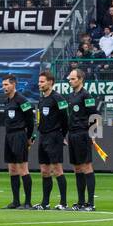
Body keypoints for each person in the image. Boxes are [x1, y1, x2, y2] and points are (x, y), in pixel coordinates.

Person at [64, 67, 101, 210]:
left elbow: (95, 116)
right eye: (70, 79)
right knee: (77, 168)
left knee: (86, 166)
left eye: (73, 79)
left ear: (80, 80)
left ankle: (91, 203)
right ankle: (80, 202)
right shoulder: (71, 95)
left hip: (83, 134)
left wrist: (94, 135)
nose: (70, 81)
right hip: (72, 134)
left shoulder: (86, 96)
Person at [34, 69, 70, 211]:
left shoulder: (58, 98)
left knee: (57, 169)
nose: (39, 84)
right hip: (42, 136)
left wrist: (62, 135)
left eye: (42, 82)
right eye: (39, 81)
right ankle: (45, 203)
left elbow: (65, 119)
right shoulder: (42, 98)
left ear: (50, 82)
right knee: (44, 170)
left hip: (54, 136)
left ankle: (63, 202)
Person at [0, 74, 36, 209]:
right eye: (3, 85)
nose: (4, 87)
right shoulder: (7, 101)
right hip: (8, 136)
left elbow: (31, 121)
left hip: (20, 136)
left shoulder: (22, 100)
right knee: (12, 169)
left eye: (6, 85)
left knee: (23, 169)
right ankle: (15, 201)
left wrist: (29, 138)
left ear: (13, 84)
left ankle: (27, 202)